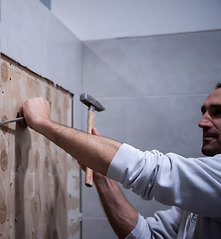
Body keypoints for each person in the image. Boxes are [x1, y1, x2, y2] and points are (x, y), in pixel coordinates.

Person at [18, 84, 221, 238]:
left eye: (217, 113)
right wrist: (101, 176)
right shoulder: (200, 199)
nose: (202, 122)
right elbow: (145, 234)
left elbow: (147, 170)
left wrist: (42, 122)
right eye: (203, 112)